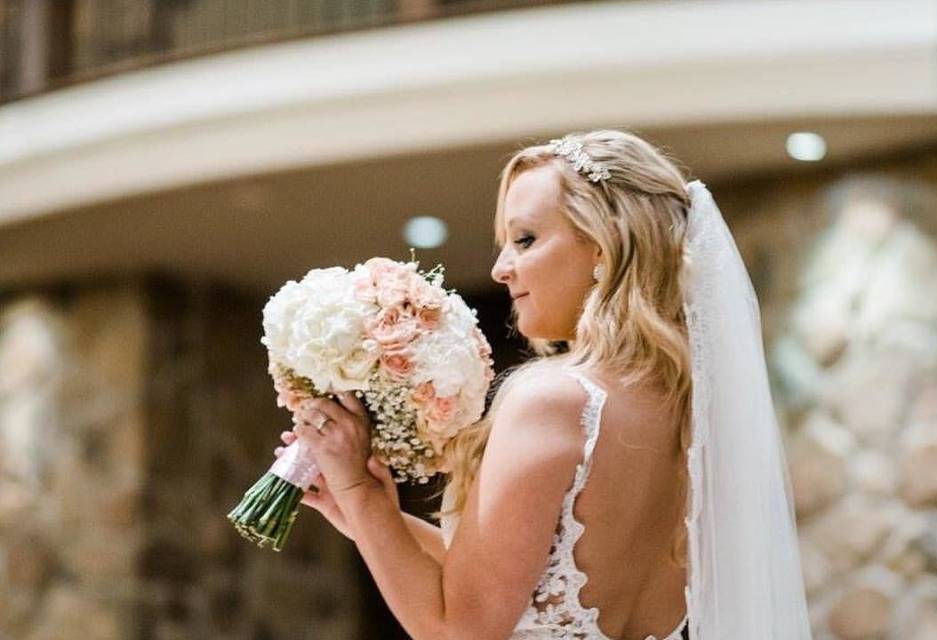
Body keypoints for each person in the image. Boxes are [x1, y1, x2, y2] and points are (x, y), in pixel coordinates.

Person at [276, 129, 812, 639]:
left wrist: (360, 495)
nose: (502, 269)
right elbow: (510, 586)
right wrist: (372, 513)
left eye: (526, 239)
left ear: (604, 247)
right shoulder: (693, 411)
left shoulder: (552, 401)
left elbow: (459, 629)